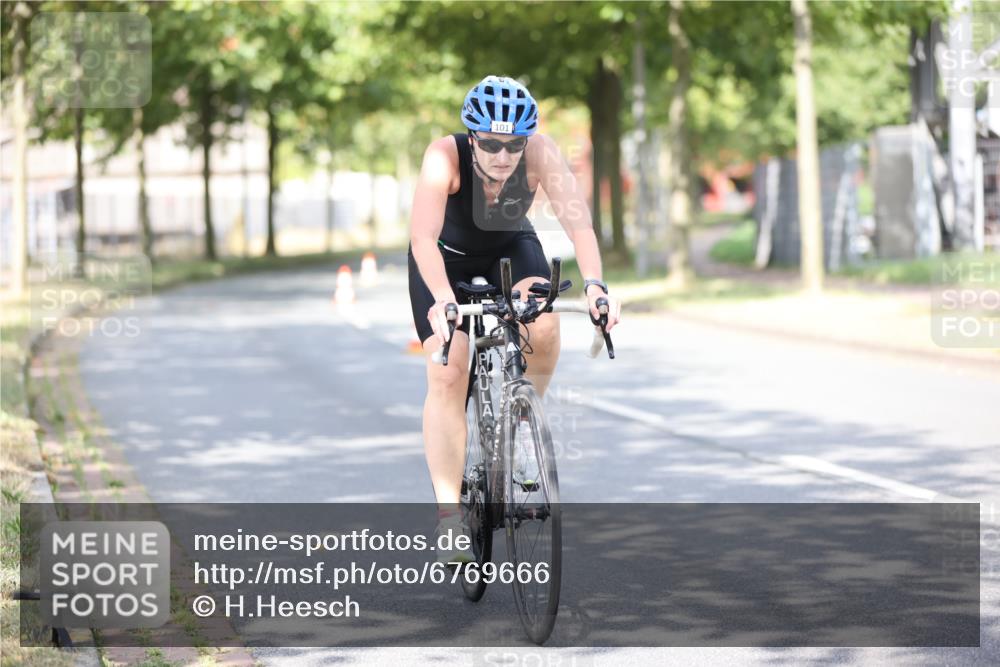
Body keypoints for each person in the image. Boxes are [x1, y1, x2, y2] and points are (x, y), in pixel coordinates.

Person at [407, 75, 621, 565]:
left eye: (514, 145)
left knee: (542, 322)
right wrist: (443, 300)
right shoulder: (444, 156)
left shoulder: (541, 154)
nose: (503, 156)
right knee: (448, 366)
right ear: (472, 137)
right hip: (446, 259)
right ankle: (449, 517)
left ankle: (522, 426)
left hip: (509, 245)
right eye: (491, 144)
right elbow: (422, 239)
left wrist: (595, 286)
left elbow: (579, 224)